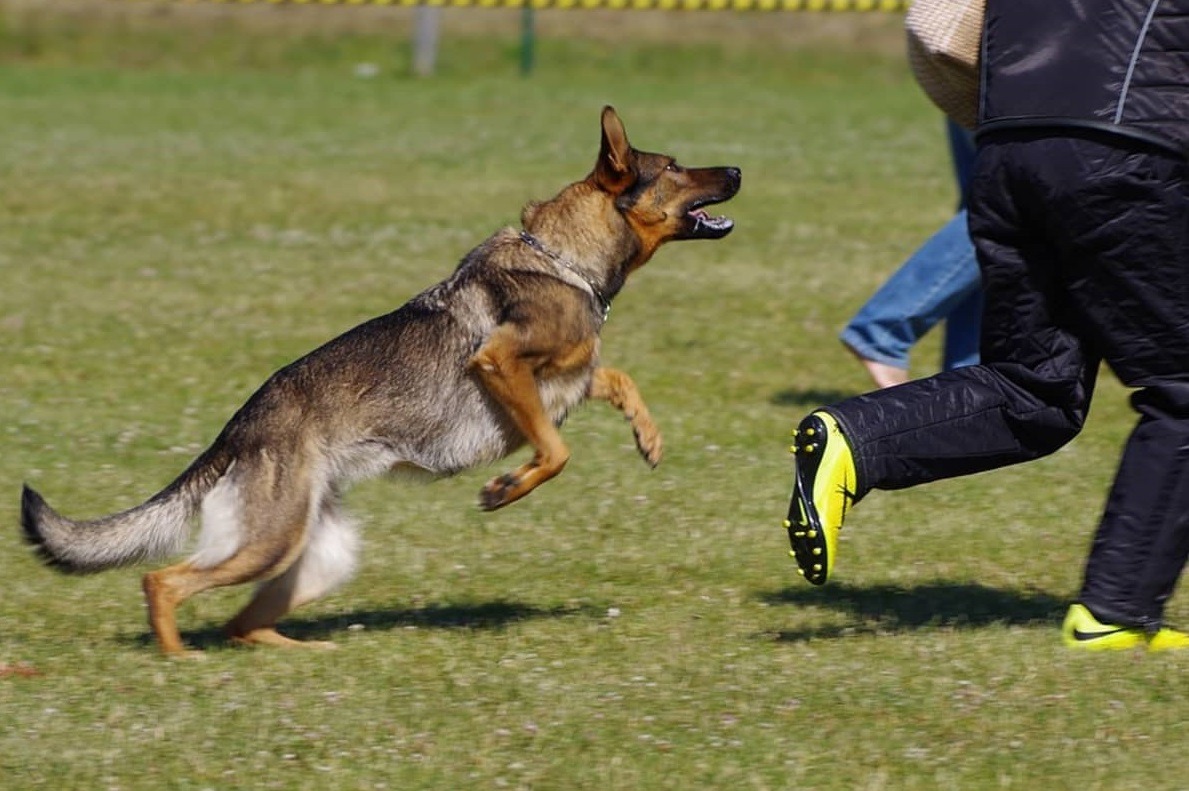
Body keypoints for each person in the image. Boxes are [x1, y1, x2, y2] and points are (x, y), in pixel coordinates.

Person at [784, 0, 1189, 652]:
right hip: (1123, 150)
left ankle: (853, 439)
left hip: (1007, 151)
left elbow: (931, 26)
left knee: (1034, 387)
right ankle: (1113, 613)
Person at [841, 120, 982, 388]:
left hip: (976, 83)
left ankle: (964, 381)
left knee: (987, 202)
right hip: (1026, 92)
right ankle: (884, 330)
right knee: (1007, 207)